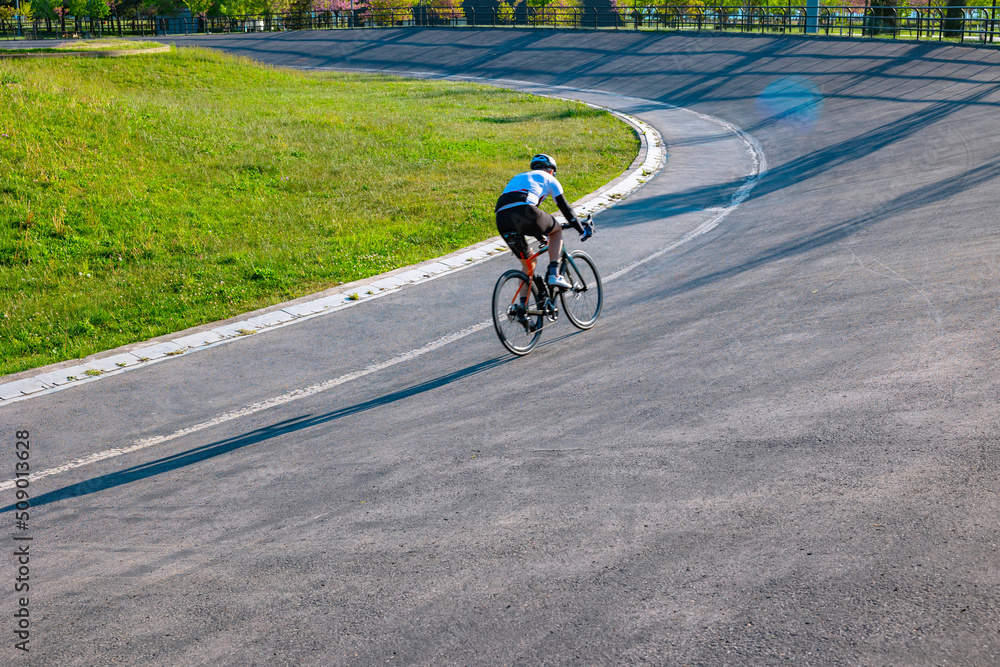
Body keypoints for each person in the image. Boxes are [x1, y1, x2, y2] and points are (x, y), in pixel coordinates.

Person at [495, 154, 593, 290]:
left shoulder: (519, 177)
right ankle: (554, 273)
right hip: (525, 210)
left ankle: (521, 307)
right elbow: (565, 208)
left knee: (528, 264)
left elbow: (521, 215)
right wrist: (581, 229)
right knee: (557, 229)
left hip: (501, 218)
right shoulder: (549, 178)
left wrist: (540, 236)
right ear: (552, 171)